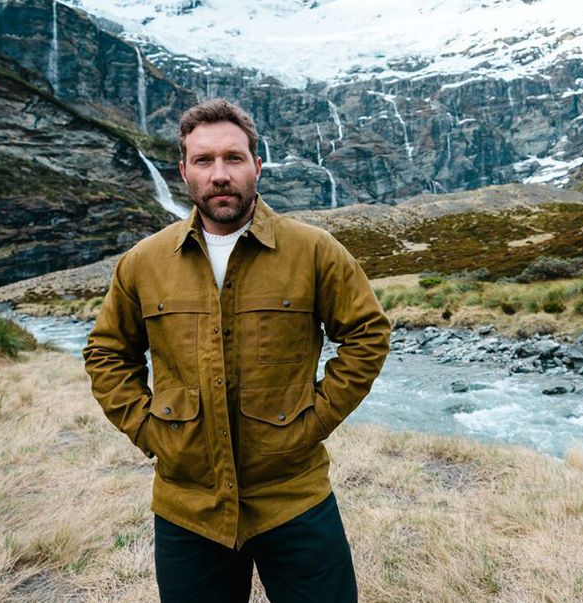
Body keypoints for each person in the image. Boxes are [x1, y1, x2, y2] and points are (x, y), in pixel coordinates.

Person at [83, 98, 390, 602]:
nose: (219, 174)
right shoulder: (143, 262)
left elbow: (367, 334)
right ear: (184, 171)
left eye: (234, 158)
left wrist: (314, 420)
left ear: (257, 166)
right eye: (204, 160)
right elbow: (107, 352)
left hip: (294, 497)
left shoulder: (314, 251)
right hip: (188, 506)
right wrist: (149, 429)